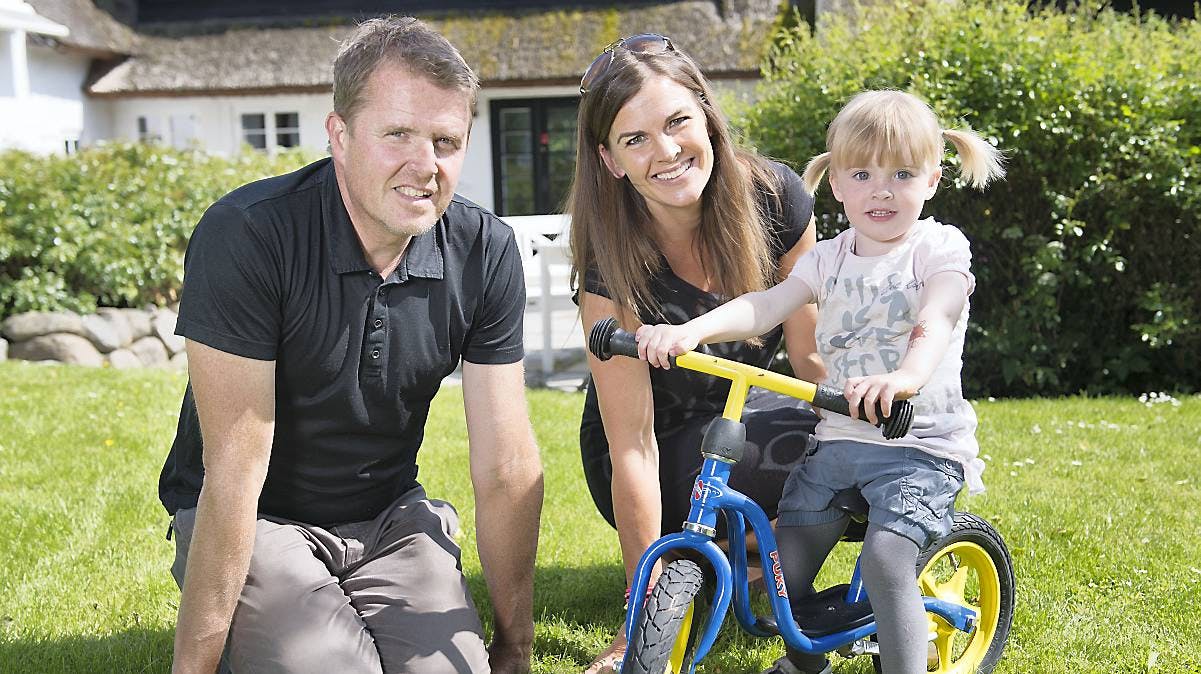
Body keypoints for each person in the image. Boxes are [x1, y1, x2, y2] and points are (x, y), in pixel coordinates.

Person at [157, 16, 544, 674]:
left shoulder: (485, 251)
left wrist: (515, 645)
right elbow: (234, 474)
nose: (425, 166)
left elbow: (507, 468)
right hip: (263, 519)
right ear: (339, 135)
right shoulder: (248, 235)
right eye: (398, 134)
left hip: (389, 515)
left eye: (446, 141)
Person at [636, 90, 1004, 674]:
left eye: (901, 174)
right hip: (837, 441)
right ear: (836, 184)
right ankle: (806, 662)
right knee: (788, 561)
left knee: (887, 559)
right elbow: (766, 304)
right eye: (862, 174)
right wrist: (690, 332)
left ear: (932, 180)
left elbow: (938, 314)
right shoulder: (828, 259)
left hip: (918, 448)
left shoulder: (936, 247)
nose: (880, 190)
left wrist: (905, 376)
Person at [568, 33, 824, 672]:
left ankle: (769, 567)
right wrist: (641, 620)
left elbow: (813, 363)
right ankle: (710, 563)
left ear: (707, 117)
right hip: (659, 447)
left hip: (743, 414)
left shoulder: (778, 201)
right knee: (784, 455)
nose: (666, 152)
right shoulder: (610, 265)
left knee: (846, 449)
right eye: (635, 139)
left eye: (677, 121)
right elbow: (633, 443)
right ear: (610, 160)